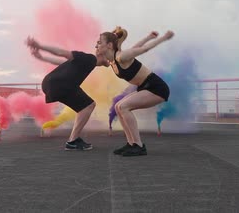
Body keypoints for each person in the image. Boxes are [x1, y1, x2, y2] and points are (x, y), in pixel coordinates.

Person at [95, 27, 174, 156]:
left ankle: (138, 145)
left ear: (109, 45)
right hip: (144, 87)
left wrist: (163, 38)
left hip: (157, 87)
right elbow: (135, 47)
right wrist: (148, 37)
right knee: (118, 107)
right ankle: (131, 143)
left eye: (99, 42)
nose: (96, 44)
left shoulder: (121, 57)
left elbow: (143, 49)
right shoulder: (113, 61)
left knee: (123, 106)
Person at [26, 36, 108, 150]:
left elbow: (63, 62)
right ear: (102, 55)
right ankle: (73, 140)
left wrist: (42, 58)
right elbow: (62, 53)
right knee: (89, 105)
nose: (110, 60)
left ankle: (74, 139)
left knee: (85, 106)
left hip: (53, 83)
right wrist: (39, 46)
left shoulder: (88, 63)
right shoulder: (90, 59)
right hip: (59, 84)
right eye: (109, 58)